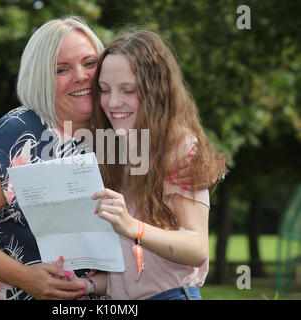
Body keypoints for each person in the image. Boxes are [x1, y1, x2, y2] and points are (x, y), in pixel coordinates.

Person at [0, 16, 217, 300]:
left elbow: (166, 152)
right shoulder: (18, 133)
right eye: (61, 69)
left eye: (90, 63)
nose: (81, 76)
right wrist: (24, 277)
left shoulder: (115, 132)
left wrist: (200, 163)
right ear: (41, 77)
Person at [69, 30, 228, 300]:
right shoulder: (114, 148)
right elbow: (137, 271)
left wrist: (133, 227)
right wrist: (89, 286)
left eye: (128, 90)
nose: (113, 102)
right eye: (105, 90)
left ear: (156, 92)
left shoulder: (180, 147)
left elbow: (196, 247)